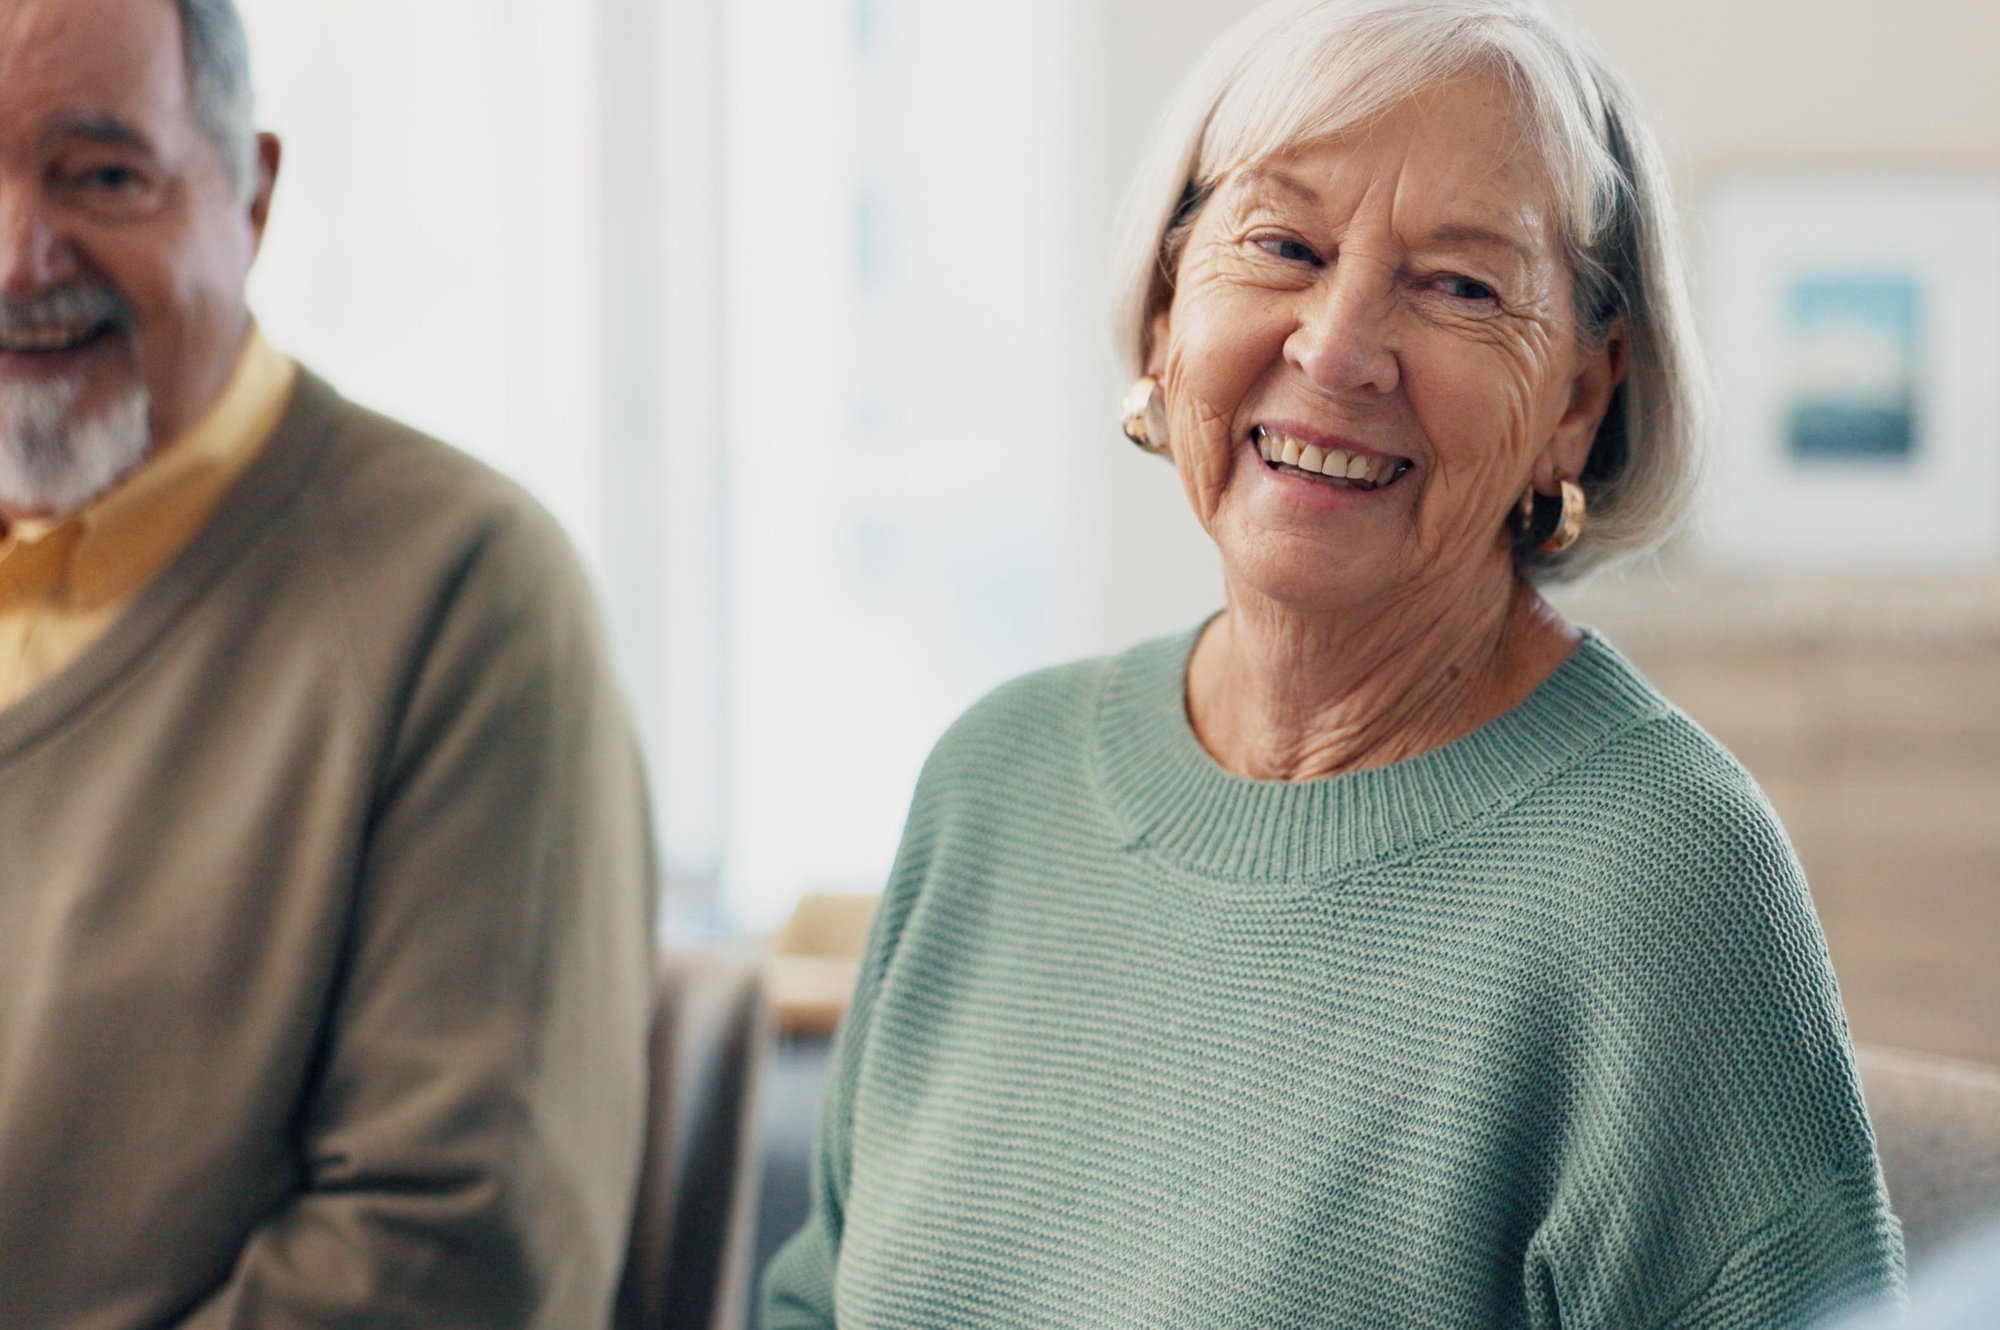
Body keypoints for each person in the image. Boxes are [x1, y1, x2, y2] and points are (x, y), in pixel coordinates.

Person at [763, 0, 1904, 1325]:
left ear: (1578, 401)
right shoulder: (993, 780)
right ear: (1162, 310)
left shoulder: (1661, 878)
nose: (1339, 346)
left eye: (1461, 284)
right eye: (1283, 245)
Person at [0, 1, 654, 1325]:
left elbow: (455, 1264)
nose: (17, 257)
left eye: (102, 173)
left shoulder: (466, 592)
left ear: (251, 194)